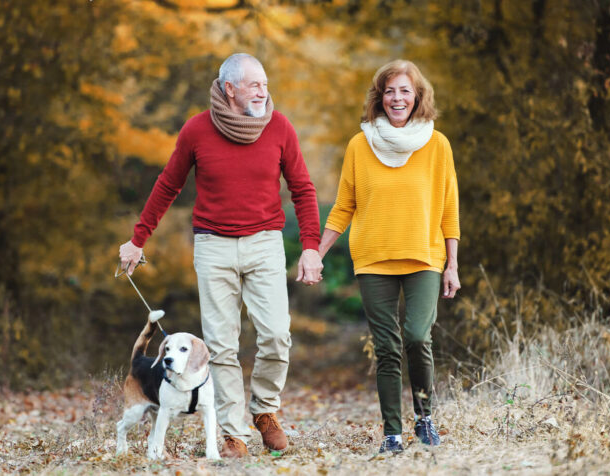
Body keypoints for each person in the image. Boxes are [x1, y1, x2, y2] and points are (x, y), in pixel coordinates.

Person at [118, 53, 323, 457]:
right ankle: (233, 434)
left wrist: (311, 247)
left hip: (265, 242)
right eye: (254, 85)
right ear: (229, 89)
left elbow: (303, 188)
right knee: (221, 345)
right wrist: (138, 238)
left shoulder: (279, 127)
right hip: (213, 246)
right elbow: (168, 184)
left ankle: (265, 412)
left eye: (265, 83)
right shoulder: (197, 129)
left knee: (277, 334)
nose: (264, 91)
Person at [318, 59, 460, 454]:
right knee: (386, 348)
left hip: (424, 258)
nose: (397, 98)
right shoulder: (359, 145)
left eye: (405, 91)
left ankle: (425, 417)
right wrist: (316, 252)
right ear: (379, 97)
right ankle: (392, 433)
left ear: (418, 96)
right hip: (373, 259)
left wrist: (452, 264)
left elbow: (449, 208)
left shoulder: (437, 144)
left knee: (417, 336)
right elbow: (344, 205)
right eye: (390, 91)